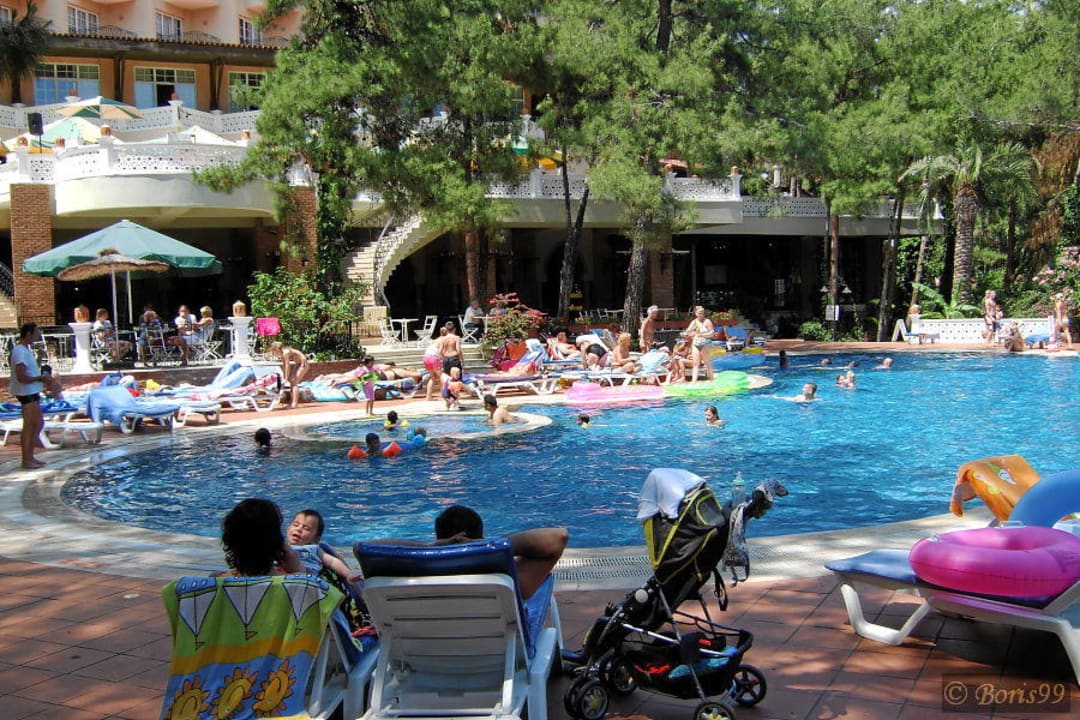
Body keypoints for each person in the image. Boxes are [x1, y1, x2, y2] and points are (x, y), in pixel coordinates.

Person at [374, 505, 567, 601]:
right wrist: (487, 545)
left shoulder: (413, 574)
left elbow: (362, 547)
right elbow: (558, 536)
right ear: (481, 536)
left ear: (438, 536)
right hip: (499, 659)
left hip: (423, 660)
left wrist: (433, 547)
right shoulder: (504, 579)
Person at [221, 498, 303, 576]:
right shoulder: (298, 584)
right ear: (277, 543)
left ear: (229, 540)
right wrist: (299, 571)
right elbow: (305, 582)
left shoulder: (216, 583)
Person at [9, 323, 47, 469]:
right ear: (29, 334)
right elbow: (21, 376)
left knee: (38, 423)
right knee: (30, 426)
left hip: (33, 392)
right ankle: (26, 460)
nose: (38, 335)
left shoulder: (25, 350)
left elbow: (31, 370)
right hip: (27, 394)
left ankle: (31, 456)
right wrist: (40, 379)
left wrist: (39, 358)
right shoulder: (20, 351)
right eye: (36, 332)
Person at [286, 509, 361, 583]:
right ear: (288, 528)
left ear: (315, 539)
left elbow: (332, 562)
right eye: (295, 525)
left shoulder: (314, 549)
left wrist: (348, 574)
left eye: (306, 528)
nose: (298, 529)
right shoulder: (280, 546)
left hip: (309, 582)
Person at [269, 341, 310, 410]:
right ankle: (292, 402)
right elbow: (284, 365)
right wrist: (285, 377)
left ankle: (294, 404)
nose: (273, 354)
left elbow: (288, 366)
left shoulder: (286, 352)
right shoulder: (282, 354)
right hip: (298, 363)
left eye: (274, 352)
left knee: (294, 382)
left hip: (303, 363)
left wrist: (286, 378)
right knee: (291, 381)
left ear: (277, 349)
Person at [684, 305, 715, 383]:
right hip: (696, 343)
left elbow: (712, 333)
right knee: (695, 363)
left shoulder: (707, 321)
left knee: (706, 362)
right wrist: (686, 334)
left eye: (702, 313)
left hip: (705, 343)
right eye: (699, 313)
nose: (701, 315)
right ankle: (693, 381)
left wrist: (703, 335)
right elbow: (688, 330)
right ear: (696, 313)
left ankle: (711, 379)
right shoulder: (694, 322)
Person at [423, 327, 448, 401]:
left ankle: (428, 396)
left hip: (426, 357)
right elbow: (440, 352)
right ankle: (443, 395)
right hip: (433, 357)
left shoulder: (436, 339)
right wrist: (444, 359)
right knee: (441, 377)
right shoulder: (443, 340)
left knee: (432, 378)